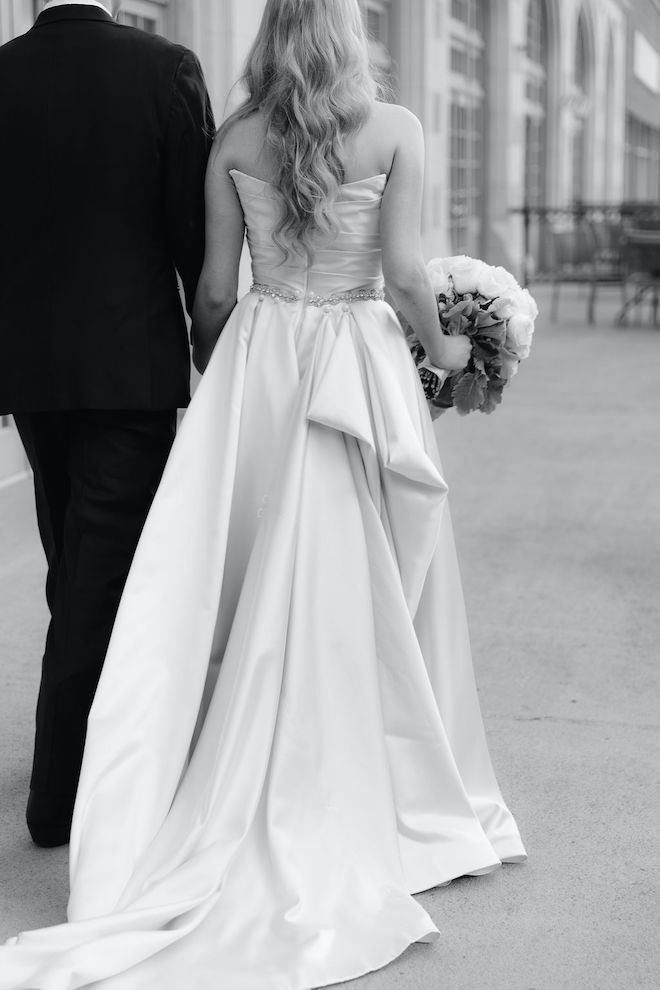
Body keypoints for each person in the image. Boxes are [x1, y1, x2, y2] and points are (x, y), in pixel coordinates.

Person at [0, 0, 526, 986]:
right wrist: (452, 351)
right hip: (359, 362)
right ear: (348, 37)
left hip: (263, 358)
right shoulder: (398, 130)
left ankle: (208, 754)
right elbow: (406, 276)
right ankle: (370, 764)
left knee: (233, 568)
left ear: (270, 39)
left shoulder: (233, 138)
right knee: (360, 564)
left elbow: (210, 289)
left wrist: (223, 368)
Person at [0, 0, 214, 848]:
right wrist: (216, 351)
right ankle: (58, 798)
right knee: (99, 580)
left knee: (75, 562)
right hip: (129, 368)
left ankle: (84, 749)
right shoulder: (164, 69)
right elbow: (191, 236)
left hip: (31, 370)